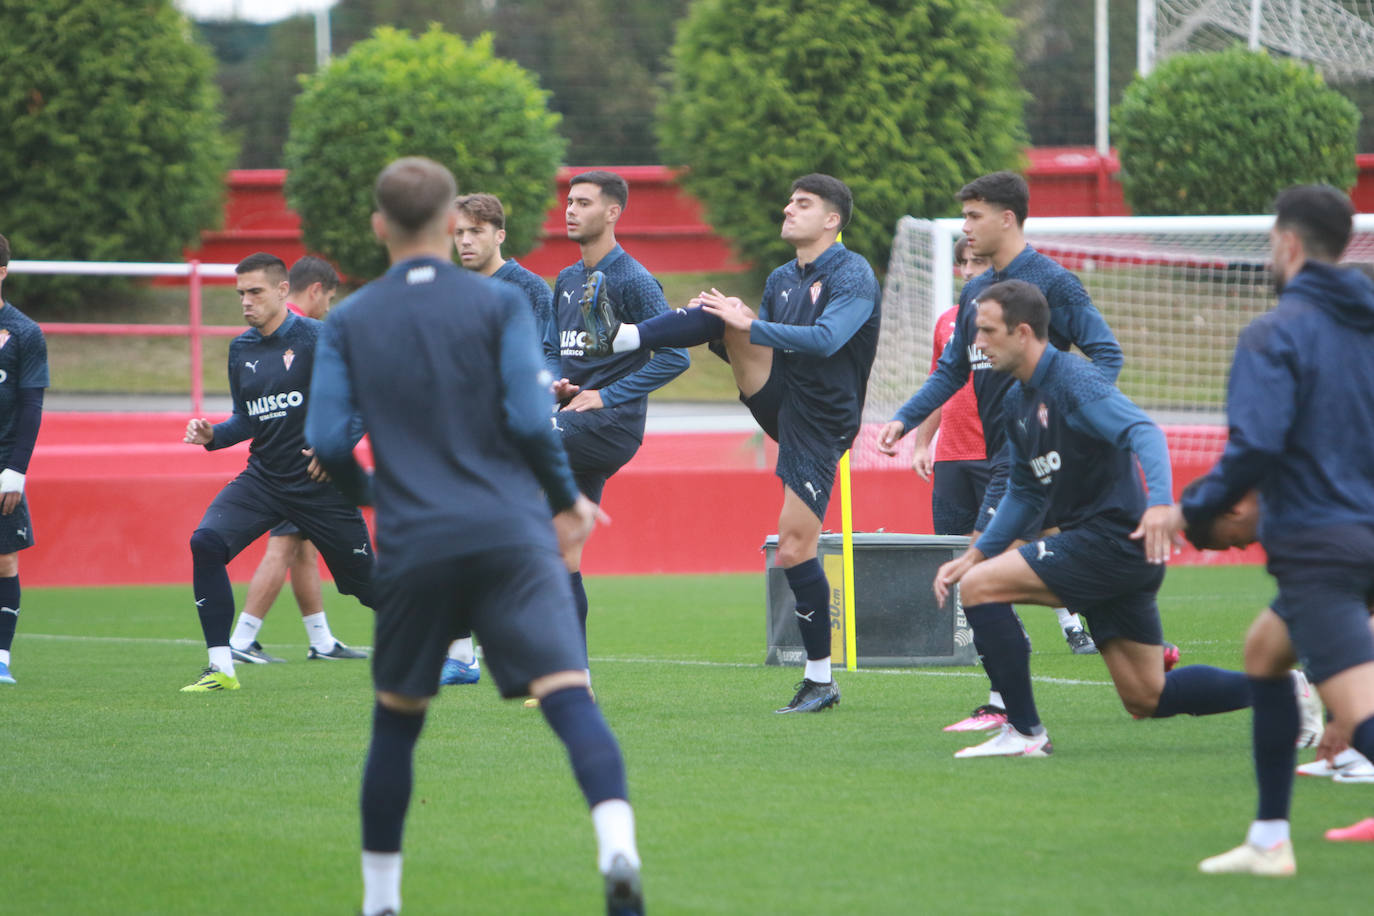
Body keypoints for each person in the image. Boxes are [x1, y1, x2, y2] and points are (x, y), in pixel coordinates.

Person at [305, 156, 643, 916]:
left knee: (396, 727)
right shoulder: (498, 307)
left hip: (418, 542)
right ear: (452, 219)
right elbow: (530, 421)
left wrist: (374, 495)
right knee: (570, 700)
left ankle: (382, 902)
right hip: (510, 535)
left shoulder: (352, 319)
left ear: (379, 225)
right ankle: (617, 846)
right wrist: (566, 502)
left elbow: (326, 443)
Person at [925, 279, 1317, 758]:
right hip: (1112, 554)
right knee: (1148, 696)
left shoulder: (1074, 380)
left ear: (1023, 332)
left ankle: (1025, 732)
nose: (977, 344)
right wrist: (978, 552)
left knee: (982, 587)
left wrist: (1159, 504)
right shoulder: (1015, 401)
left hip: (1110, 542)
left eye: (985, 331)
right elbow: (1025, 493)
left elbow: (1143, 432)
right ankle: (1286, 690)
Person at [582, 173, 880, 714]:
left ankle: (820, 680)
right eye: (789, 200)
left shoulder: (853, 273)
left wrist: (749, 325)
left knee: (793, 549)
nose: (788, 209)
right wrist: (734, 328)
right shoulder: (783, 277)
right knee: (721, 313)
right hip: (781, 399)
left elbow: (828, 341)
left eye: (803, 203)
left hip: (821, 423)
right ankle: (625, 336)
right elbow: (768, 349)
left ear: (832, 220)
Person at [1166, 184, 1374, 869]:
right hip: (1361, 536)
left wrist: (1193, 510)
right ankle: (1268, 841)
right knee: (1265, 653)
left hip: (1320, 546)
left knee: (1361, 716)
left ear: (1287, 245)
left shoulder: (1274, 333)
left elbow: (1254, 446)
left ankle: (1270, 843)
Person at [877, 172, 1127, 733]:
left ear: (1007, 219)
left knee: (979, 573)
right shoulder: (974, 293)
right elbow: (952, 370)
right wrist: (906, 418)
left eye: (973, 216)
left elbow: (1106, 355)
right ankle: (1125, 621)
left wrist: (1064, 414)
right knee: (1142, 688)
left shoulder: (1053, 283)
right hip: (993, 455)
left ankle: (1007, 708)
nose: (965, 229)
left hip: (1028, 458)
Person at [180, 252, 375, 692]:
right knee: (205, 543)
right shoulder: (241, 348)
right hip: (264, 480)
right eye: (240, 294)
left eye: (255, 292)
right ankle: (221, 668)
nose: (246, 302)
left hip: (321, 486)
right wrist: (212, 435)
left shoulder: (319, 338)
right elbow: (246, 420)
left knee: (368, 588)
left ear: (283, 290)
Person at [909, 237, 1098, 663]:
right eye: (967, 262)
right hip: (954, 455)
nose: (973, 268)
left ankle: (1076, 623)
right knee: (960, 547)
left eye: (981, 260)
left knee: (1037, 539)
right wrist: (922, 441)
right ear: (958, 269)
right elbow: (941, 381)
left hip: (1007, 454)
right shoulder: (948, 322)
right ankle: (1003, 635)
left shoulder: (1019, 324)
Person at [547, 170, 689, 698]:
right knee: (560, 553)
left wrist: (604, 395)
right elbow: (550, 352)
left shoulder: (631, 279)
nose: (570, 210)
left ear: (612, 213)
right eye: (568, 201)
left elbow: (675, 355)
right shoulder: (564, 281)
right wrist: (557, 383)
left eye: (583, 202)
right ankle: (573, 677)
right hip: (572, 420)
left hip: (611, 425)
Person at [438, 193, 560, 686]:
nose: (465, 242)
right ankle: (462, 655)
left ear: (499, 234)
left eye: (476, 232)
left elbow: (549, 356)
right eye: (459, 233)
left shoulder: (528, 288)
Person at [228, 256, 366, 664]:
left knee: (303, 550)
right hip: (295, 470)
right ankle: (241, 639)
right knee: (284, 545)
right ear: (316, 290)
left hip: (300, 468)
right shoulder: (305, 337)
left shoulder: (310, 337)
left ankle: (321, 641)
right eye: (330, 298)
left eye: (253, 292)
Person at [0, 233, 49, 686]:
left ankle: (0, 660)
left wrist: (15, 472)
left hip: (2, 464)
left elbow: (31, 407)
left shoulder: (24, 333)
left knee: (4, 561)